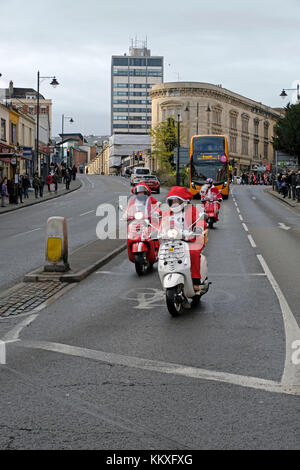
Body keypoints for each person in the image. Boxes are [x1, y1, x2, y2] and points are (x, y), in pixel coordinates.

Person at [160, 186, 207, 292]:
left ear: (184, 201)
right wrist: (158, 232)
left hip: (190, 239)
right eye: (173, 201)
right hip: (172, 240)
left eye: (178, 200)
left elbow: (200, 221)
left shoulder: (192, 209)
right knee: (164, 254)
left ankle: (195, 280)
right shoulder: (168, 212)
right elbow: (162, 224)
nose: (175, 203)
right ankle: (167, 274)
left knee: (193, 252)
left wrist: (198, 228)